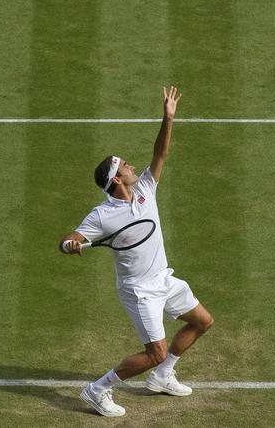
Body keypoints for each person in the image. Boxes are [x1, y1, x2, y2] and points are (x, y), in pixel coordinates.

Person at [59, 86, 214, 418]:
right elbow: (70, 238)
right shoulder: (101, 215)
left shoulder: (145, 188)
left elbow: (161, 153)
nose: (132, 166)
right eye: (125, 166)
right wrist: (68, 244)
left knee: (202, 321)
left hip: (163, 279)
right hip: (139, 291)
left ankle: (162, 376)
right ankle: (97, 389)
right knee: (155, 351)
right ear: (117, 180)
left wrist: (168, 118)